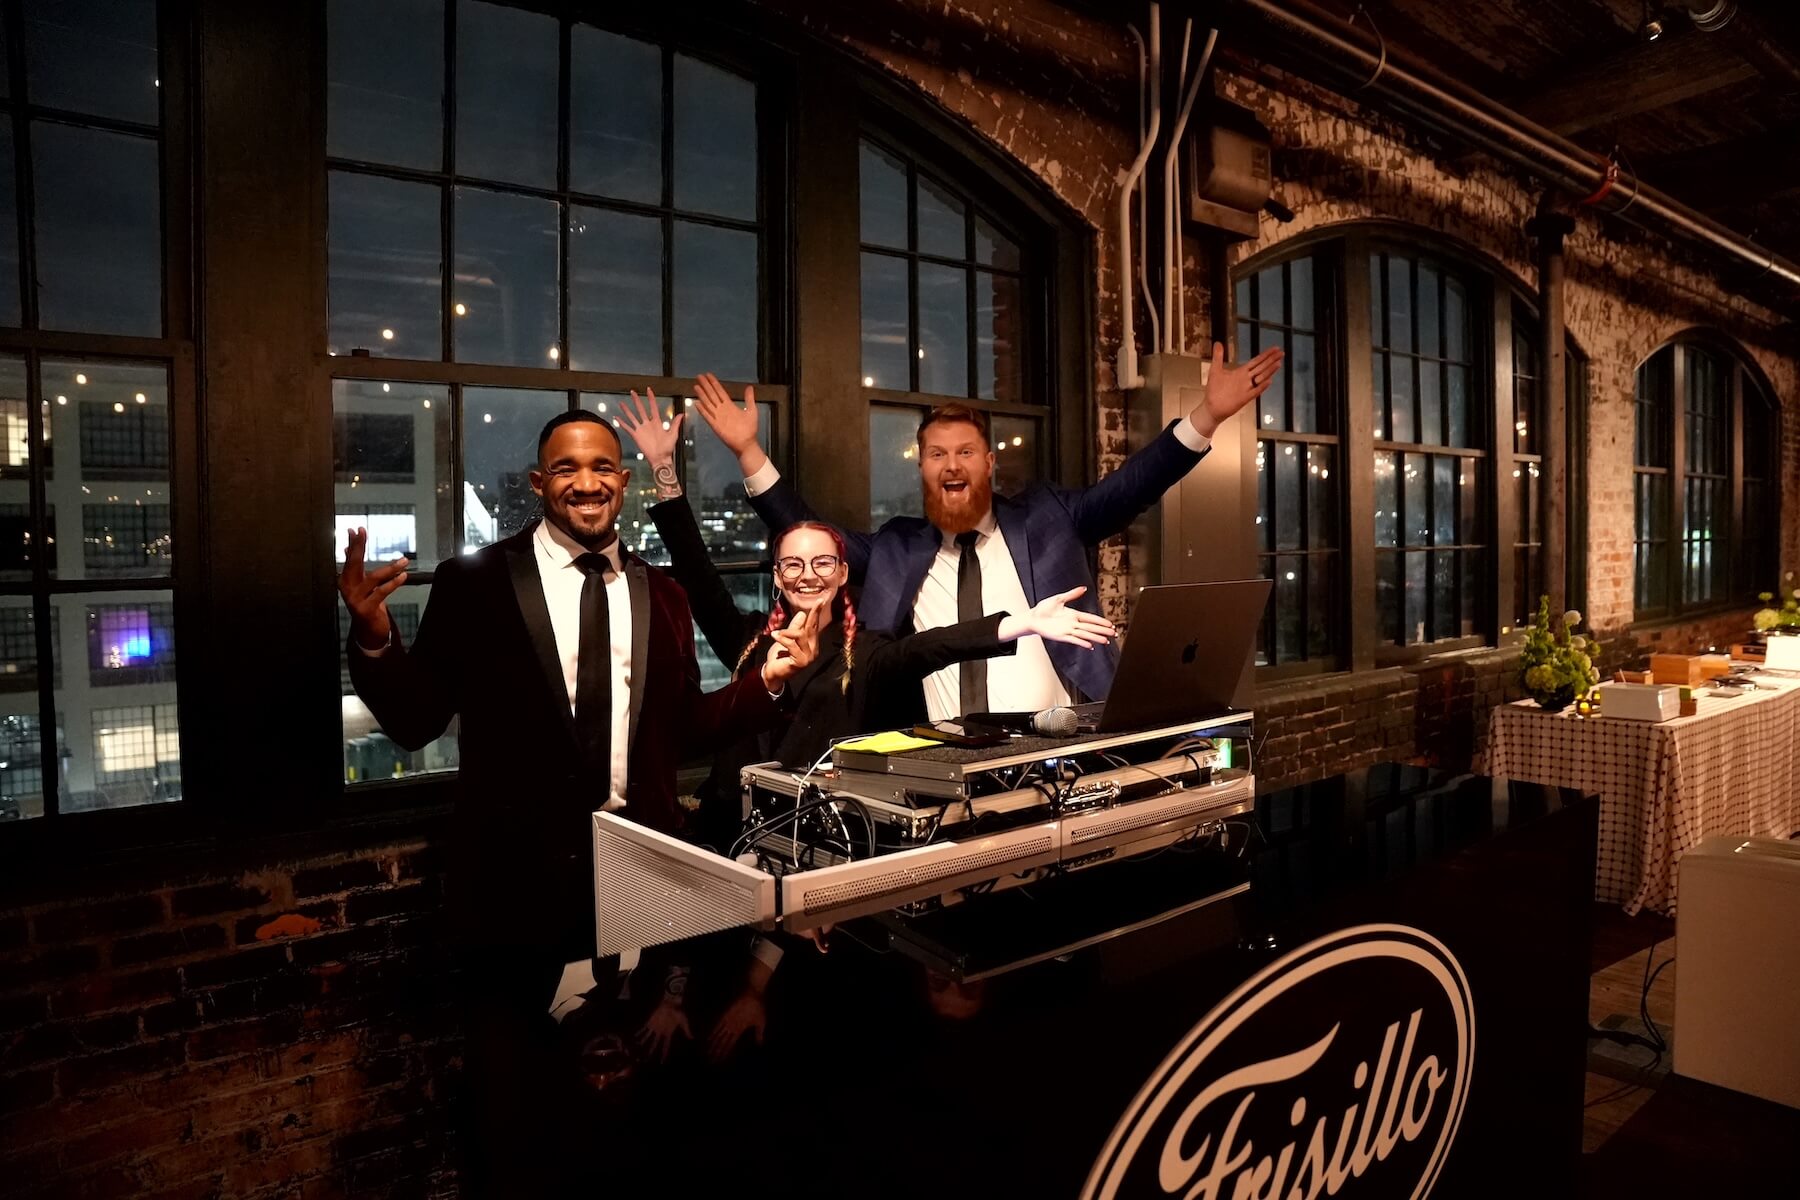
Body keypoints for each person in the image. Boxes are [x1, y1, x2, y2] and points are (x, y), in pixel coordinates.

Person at [337, 409, 817, 1195]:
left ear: (624, 482)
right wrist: (375, 639)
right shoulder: (477, 582)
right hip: (514, 897)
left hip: (638, 885)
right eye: (566, 469)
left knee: (640, 1112)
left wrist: (763, 684)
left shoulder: (662, 595)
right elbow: (416, 723)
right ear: (539, 483)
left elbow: (682, 730)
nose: (586, 482)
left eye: (602, 466)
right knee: (515, 1109)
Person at [612, 389, 1117, 1058]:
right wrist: (665, 473)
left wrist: (1021, 622)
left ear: (842, 574)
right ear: (779, 576)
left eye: (823, 562)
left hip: (819, 886)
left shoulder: (869, 658)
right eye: (792, 563)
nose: (808, 574)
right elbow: (696, 568)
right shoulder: (744, 644)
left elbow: (935, 645)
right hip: (731, 867)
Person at [689, 339, 1283, 719]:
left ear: (989, 462)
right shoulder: (896, 547)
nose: (952, 465)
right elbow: (805, 533)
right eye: (938, 454)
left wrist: (1208, 416)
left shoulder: (1051, 518)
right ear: (921, 466)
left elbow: (1134, 484)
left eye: (966, 452)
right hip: (939, 761)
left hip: (1057, 750)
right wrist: (748, 452)